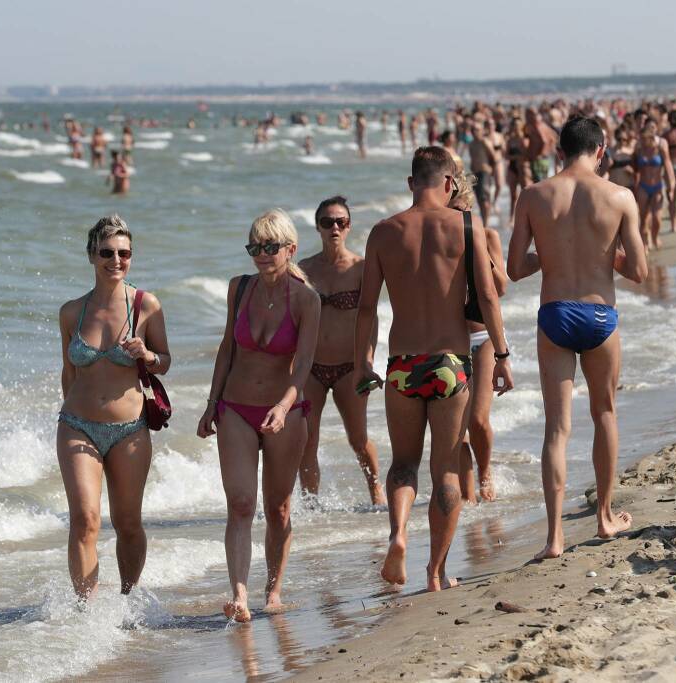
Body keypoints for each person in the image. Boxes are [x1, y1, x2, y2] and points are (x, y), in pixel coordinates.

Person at [354, 146, 514, 592]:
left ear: (411, 183)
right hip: (450, 364)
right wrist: (501, 356)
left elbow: (367, 308)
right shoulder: (466, 226)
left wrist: (360, 364)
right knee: (445, 469)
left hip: (402, 365)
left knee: (403, 465)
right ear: (449, 183)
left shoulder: (383, 232)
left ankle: (399, 533)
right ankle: (436, 573)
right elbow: (486, 296)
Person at [506, 116, 647, 561]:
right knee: (604, 412)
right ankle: (604, 518)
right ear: (601, 151)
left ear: (559, 150)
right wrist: (603, 254)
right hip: (601, 313)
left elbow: (514, 268)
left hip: (555, 314)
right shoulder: (620, 196)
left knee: (556, 428)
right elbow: (640, 271)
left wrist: (549, 253)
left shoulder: (533, 195)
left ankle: (554, 538)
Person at [196, 209, 321, 622]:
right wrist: (211, 404)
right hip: (236, 408)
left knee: (279, 507)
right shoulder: (240, 288)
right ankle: (239, 594)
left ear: (291, 248)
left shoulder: (306, 299)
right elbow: (227, 351)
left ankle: (274, 590)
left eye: (271, 247)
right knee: (241, 502)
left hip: (285, 409)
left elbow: (303, 365)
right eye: (255, 247)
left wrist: (285, 407)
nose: (262, 255)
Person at [57, 215, 171, 598]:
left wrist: (148, 355)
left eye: (124, 253)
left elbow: (166, 361)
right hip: (77, 426)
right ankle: (85, 612)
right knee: (85, 520)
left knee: (128, 523)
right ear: (92, 255)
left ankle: (125, 601)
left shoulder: (146, 305)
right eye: (107, 252)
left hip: (129, 431)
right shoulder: (72, 312)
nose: (116, 261)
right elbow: (68, 372)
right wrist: (70, 416)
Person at [298, 197, 386, 506]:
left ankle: (377, 493)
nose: (334, 227)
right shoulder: (302, 269)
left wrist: (367, 360)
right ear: (318, 226)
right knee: (306, 441)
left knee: (358, 438)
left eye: (341, 222)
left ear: (348, 227)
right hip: (311, 368)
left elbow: (371, 317)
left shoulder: (362, 268)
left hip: (351, 367)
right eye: (327, 222)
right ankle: (310, 505)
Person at [448, 168, 508, 504]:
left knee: (478, 419)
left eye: (459, 211)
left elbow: (501, 288)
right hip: (449, 338)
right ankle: (469, 496)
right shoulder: (439, 240)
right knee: (457, 426)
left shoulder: (487, 235)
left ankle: (486, 474)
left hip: (483, 335)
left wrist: (477, 248)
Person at [633, 119, 674, 250]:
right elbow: (634, 167)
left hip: (657, 186)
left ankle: (655, 237)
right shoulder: (639, 149)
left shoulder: (660, 149)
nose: (643, 141)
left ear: (651, 138)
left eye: (645, 139)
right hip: (643, 186)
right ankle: (644, 244)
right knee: (643, 219)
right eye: (641, 139)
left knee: (657, 218)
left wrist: (671, 186)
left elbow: (668, 167)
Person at [468, 121, 498, 228]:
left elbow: (493, 157)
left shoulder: (484, 142)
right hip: (475, 174)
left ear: (482, 131)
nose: (474, 132)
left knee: (485, 200)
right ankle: (484, 223)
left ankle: (486, 224)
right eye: (473, 129)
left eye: (477, 129)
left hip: (485, 173)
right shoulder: (471, 144)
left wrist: (492, 172)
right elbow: (473, 159)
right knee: (480, 200)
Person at [505, 117, 530, 221]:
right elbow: (506, 156)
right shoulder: (510, 140)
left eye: (517, 125)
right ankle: (511, 218)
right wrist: (517, 157)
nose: (515, 127)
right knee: (513, 195)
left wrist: (517, 156)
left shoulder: (525, 139)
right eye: (514, 125)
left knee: (525, 195)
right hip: (512, 168)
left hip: (523, 168)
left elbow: (528, 155)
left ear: (521, 126)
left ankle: (527, 217)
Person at [525, 107, 558, 183]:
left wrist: (540, 155)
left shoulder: (537, 125)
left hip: (539, 159)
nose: (526, 116)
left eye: (527, 114)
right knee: (542, 182)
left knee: (538, 183)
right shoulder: (542, 124)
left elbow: (544, 141)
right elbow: (554, 136)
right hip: (544, 159)